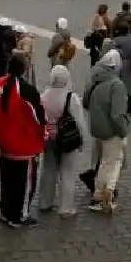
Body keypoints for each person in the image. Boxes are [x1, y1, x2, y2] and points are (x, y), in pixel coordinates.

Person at [0, 54, 46, 226]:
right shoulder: (27, 90)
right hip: (24, 145)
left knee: (7, 180)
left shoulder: (0, 84)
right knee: (24, 184)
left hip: (5, 142)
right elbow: (39, 118)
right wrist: (43, 135)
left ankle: (6, 212)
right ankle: (19, 215)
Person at [37, 64, 88, 217]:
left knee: (48, 170)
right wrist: (82, 141)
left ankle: (45, 202)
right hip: (67, 139)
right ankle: (66, 207)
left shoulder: (44, 96)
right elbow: (79, 122)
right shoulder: (70, 97)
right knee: (67, 172)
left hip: (49, 139)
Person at [84, 48, 130, 213]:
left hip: (97, 127)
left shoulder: (95, 80)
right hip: (111, 130)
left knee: (103, 161)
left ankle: (103, 192)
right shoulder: (116, 85)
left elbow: (85, 101)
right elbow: (117, 114)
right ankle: (100, 195)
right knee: (111, 162)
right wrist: (124, 130)